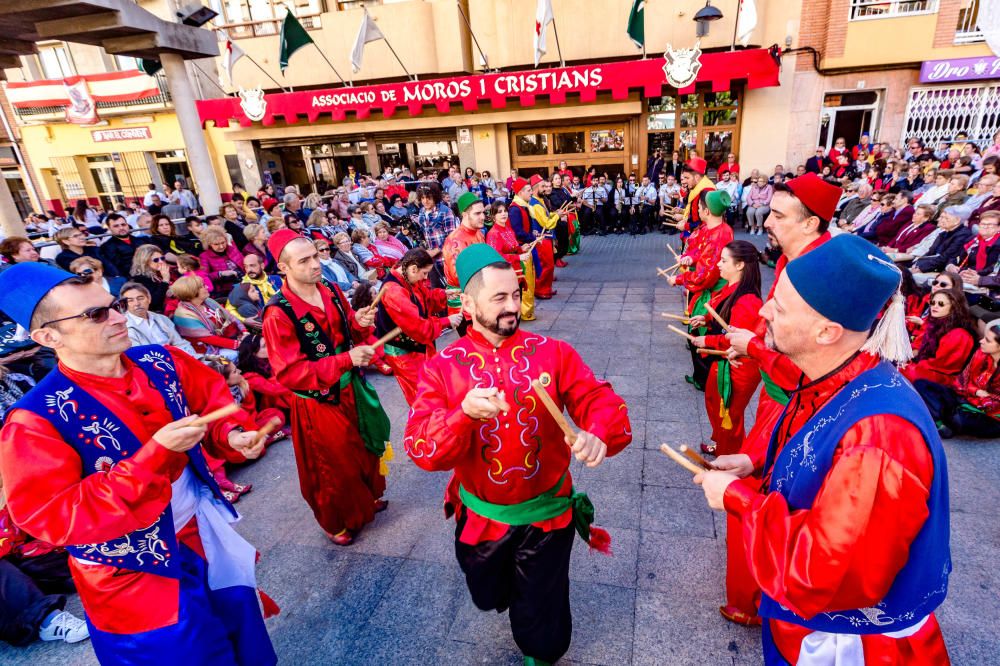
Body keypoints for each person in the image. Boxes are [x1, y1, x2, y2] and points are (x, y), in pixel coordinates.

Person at [0, 263, 275, 664]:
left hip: (200, 532)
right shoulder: (34, 419)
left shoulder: (160, 361)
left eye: (113, 305)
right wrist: (152, 457)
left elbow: (210, 403)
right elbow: (52, 515)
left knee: (243, 636)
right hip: (129, 573)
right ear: (47, 336)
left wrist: (231, 436)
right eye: (95, 314)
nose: (117, 317)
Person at [696, 234, 950, 665]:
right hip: (809, 625)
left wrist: (736, 498)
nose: (762, 310)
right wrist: (756, 460)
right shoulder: (837, 376)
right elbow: (816, 448)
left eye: (780, 305)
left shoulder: (879, 436)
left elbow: (823, 570)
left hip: (847, 643)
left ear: (827, 331)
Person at [404, 244, 632, 666]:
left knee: (541, 602)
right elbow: (421, 446)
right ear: (468, 304)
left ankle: (541, 653)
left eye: (516, 293)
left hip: (546, 511)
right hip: (482, 514)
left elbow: (598, 398)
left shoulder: (553, 352)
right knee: (487, 592)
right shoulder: (443, 367)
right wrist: (463, 415)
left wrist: (598, 433)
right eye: (500, 298)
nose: (513, 306)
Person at [261, 230, 391, 546]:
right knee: (334, 467)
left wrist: (359, 321)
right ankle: (336, 522)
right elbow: (290, 373)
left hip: (351, 389)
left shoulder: (331, 289)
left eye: (316, 256)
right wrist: (347, 359)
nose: (315, 265)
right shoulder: (277, 314)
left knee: (364, 448)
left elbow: (348, 326)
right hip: (317, 401)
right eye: (303, 261)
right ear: (283, 268)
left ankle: (366, 499)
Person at [689, 240, 763, 456]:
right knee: (714, 404)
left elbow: (737, 338)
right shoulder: (731, 289)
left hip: (737, 365)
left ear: (740, 265)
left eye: (723, 260)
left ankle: (729, 460)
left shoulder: (748, 299)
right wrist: (705, 320)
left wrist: (707, 341)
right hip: (723, 361)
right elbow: (723, 316)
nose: (718, 265)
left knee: (728, 415)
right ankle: (722, 446)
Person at [374, 248, 459, 404]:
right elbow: (418, 326)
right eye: (424, 273)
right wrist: (447, 321)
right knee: (423, 394)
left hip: (416, 347)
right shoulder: (393, 291)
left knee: (433, 386)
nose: (425, 278)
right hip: (405, 353)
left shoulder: (406, 277)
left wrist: (443, 294)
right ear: (413, 268)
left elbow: (423, 297)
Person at [669, 190, 734, 390]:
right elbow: (699, 249)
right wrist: (690, 257)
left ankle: (703, 380)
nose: (697, 211)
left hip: (713, 292)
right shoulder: (715, 228)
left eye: (699, 208)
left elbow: (704, 276)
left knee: (701, 333)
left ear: (706, 211)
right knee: (699, 331)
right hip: (709, 288)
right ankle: (703, 376)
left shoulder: (718, 236)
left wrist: (679, 279)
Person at [914, 319, 1000, 439]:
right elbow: (961, 382)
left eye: (988, 340)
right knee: (921, 385)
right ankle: (943, 419)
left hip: (989, 415)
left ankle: (939, 418)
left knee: (960, 420)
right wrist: (976, 392)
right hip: (965, 398)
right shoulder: (980, 353)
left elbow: (995, 405)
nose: (981, 341)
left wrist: (978, 397)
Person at [902, 289, 976, 386]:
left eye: (941, 304)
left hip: (943, 377)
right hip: (924, 367)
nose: (935, 306)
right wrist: (905, 358)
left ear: (954, 307)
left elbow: (941, 365)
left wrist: (912, 366)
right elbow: (918, 347)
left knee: (906, 372)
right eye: (932, 302)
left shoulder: (959, 334)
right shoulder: (934, 323)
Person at [171, 275, 247, 362]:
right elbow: (209, 339)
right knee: (236, 355)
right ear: (192, 292)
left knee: (254, 345)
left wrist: (244, 331)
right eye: (203, 286)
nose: (207, 287)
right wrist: (239, 344)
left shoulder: (208, 302)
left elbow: (230, 317)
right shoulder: (183, 314)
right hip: (204, 355)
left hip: (228, 340)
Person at [120, 281, 200, 357]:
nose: (137, 303)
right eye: (130, 300)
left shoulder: (162, 319)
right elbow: (139, 356)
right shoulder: (124, 327)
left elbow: (180, 344)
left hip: (178, 360)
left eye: (140, 298)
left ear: (149, 299)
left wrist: (196, 359)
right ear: (124, 304)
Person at [442, 192, 487, 315]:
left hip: (480, 297)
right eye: (477, 213)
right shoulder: (455, 241)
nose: (483, 217)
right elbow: (458, 277)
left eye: (483, 212)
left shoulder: (479, 233)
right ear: (465, 215)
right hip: (463, 307)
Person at [508, 178, 541, 321]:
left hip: (526, 246)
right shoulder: (515, 209)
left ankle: (527, 310)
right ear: (520, 193)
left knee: (530, 279)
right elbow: (517, 231)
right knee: (526, 282)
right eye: (528, 191)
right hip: (521, 250)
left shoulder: (523, 206)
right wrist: (530, 238)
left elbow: (525, 227)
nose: (531, 194)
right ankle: (525, 311)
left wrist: (533, 233)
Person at [527, 176, 559, 299]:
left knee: (549, 265)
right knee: (546, 265)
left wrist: (555, 214)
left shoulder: (539, 201)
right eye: (543, 186)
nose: (545, 189)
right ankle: (541, 290)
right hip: (542, 239)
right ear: (535, 189)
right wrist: (557, 217)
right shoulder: (535, 204)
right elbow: (546, 223)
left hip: (545, 237)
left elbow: (546, 215)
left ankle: (547, 288)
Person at [200, 227, 245, 298]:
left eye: (223, 242)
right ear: (209, 244)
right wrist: (220, 273)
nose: (221, 246)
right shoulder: (204, 256)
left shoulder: (232, 249)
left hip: (243, 282)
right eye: (216, 244)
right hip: (224, 289)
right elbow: (204, 276)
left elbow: (244, 263)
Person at [129, 244, 173, 312]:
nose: (161, 262)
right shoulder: (140, 279)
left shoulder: (159, 272)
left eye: (162, 258)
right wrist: (165, 280)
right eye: (156, 260)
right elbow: (155, 302)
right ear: (145, 262)